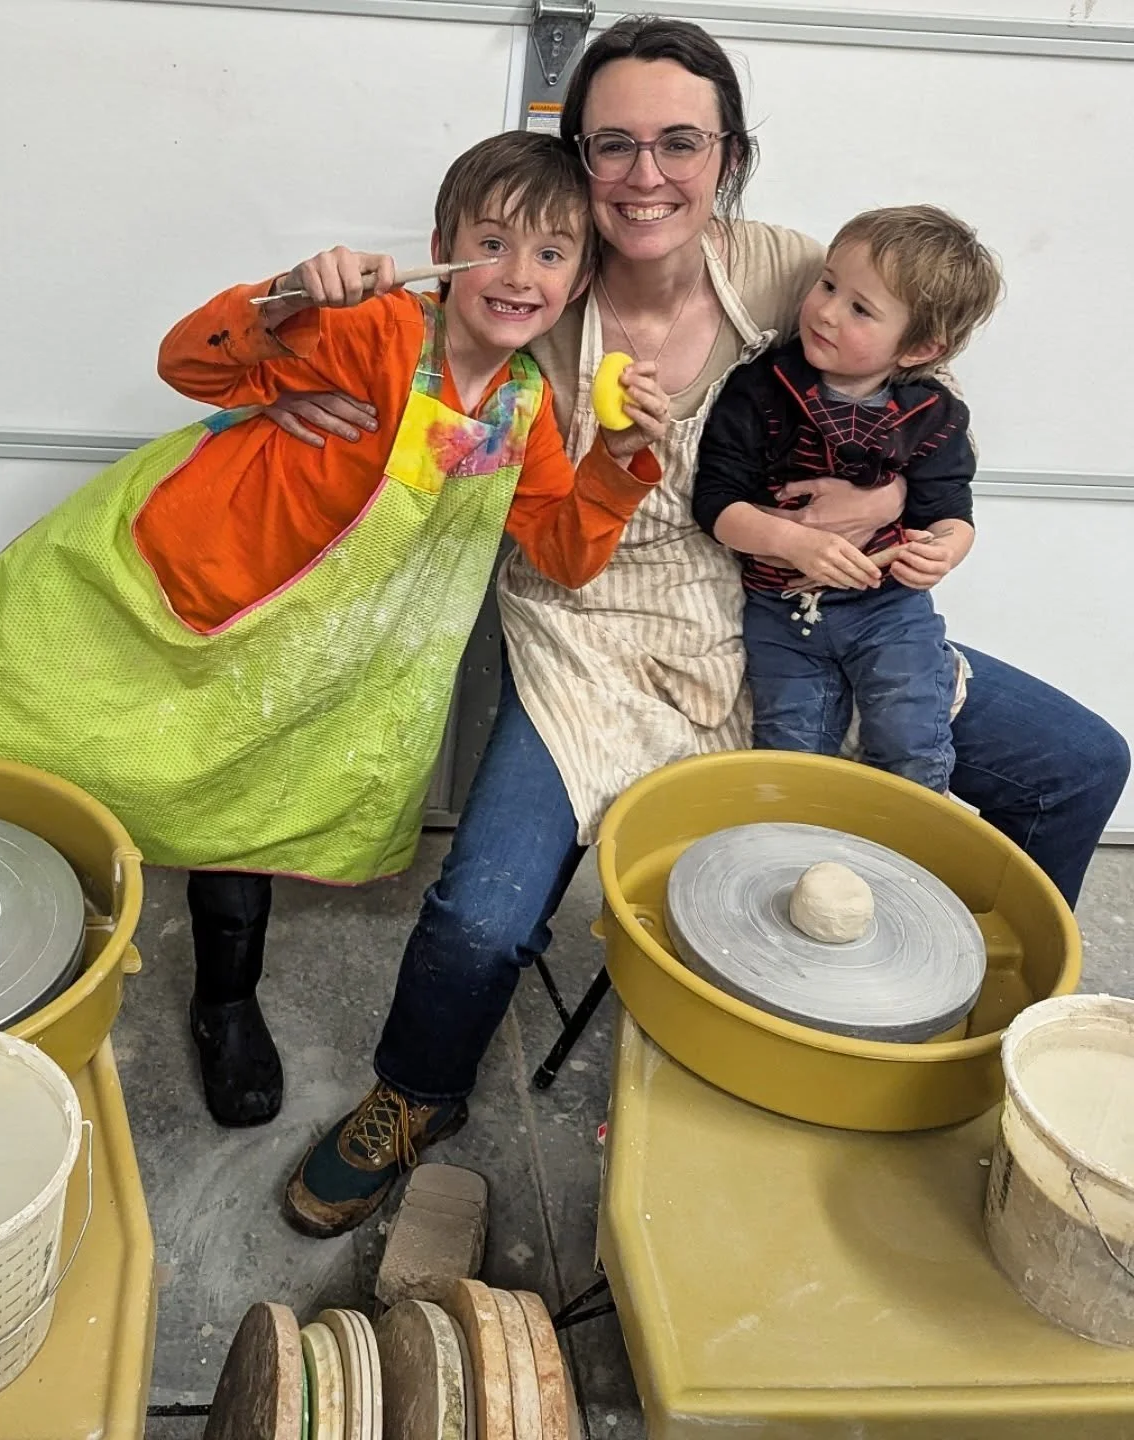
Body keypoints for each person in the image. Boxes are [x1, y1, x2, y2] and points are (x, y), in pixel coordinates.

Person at [278, 16, 1130, 1238]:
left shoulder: (787, 267)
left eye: (680, 142)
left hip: (783, 611)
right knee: (478, 915)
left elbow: (922, 389)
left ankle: (951, 1025)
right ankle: (416, 1094)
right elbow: (397, 345)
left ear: (726, 154)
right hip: (589, 624)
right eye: (612, 144)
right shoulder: (530, 276)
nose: (645, 176)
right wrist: (302, 331)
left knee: (1080, 762)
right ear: (574, 155)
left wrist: (893, 501)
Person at [0, 131, 668, 1129]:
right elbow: (189, 359)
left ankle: (226, 1005)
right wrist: (291, 293)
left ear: (581, 278)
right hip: (137, 595)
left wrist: (621, 457)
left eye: (551, 254)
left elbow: (559, 549)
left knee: (240, 812)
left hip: (272, 665)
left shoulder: (519, 410)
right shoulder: (374, 329)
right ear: (441, 244)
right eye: (493, 242)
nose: (517, 274)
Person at [692, 204, 1003, 792]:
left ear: (917, 349)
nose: (827, 312)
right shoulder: (761, 388)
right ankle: (802, 859)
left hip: (888, 610)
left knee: (911, 743)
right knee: (789, 758)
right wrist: (793, 542)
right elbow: (715, 503)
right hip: (781, 610)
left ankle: (900, 856)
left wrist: (944, 551)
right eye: (827, 284)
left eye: (860, 309)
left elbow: (949, 514)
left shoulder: (934, 416)